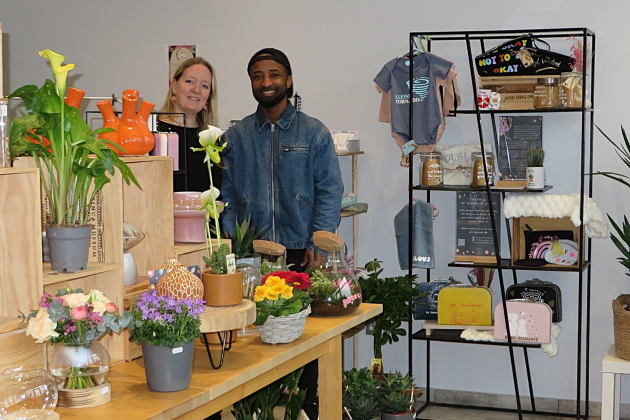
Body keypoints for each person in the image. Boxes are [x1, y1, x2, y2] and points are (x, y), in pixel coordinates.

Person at [222, 48, 343, 420]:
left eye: (274, 74)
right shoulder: (237, 136)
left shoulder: (314, 132)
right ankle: (255, 409)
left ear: (288, 80)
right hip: (253, 254)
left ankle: (304, 406)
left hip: (300, 251)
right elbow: (226, 195)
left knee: (304, 335)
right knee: (255, 336)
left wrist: (318, 240)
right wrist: (235, 245)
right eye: (257, 76)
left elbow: (329, 190)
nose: (266, 82)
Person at [158, 56, 222, 192]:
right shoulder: (152, 134)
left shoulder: (213, 142)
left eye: (204, 86)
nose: (196, 90)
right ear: (174, 86)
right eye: (190, 81)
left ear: (209, 97)